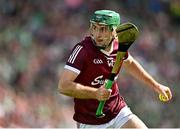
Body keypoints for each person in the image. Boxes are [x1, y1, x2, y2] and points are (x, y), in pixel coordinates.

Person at [58, 10, 172, 128]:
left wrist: (156, 85)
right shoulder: (82, 50)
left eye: (103, 29)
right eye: (94, 27)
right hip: (90, 121)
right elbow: (63, 86)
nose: (97, 34)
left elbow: (130, 63)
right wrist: (95, 93)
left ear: (114, 31)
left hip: (118, 111)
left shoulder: (119, 47)